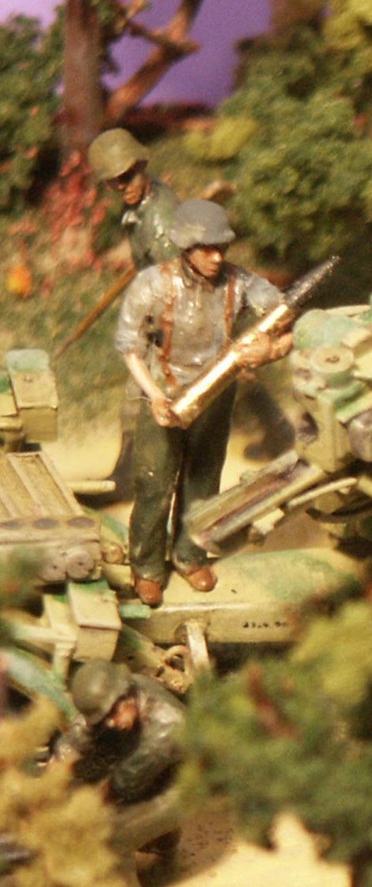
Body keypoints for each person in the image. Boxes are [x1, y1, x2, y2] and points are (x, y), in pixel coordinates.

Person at [114, 199, 291, 606]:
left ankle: (190, 555)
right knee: (154, 485)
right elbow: (130, 347)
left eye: (222, 248)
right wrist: (154, 396)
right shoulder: (152, 284)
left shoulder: (241, 284)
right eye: (207, 248)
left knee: (203, 483)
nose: (216, 257)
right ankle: (146, 567)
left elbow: (285, 316)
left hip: (216, 399)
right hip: (165, 398)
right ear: (186, 247)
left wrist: (271, 350)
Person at [64, 661, 185, 807]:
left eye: (112, 714)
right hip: (140, 749)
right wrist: (60, 764)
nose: (110, 722)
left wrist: (85, 807)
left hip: (178, 774)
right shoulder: (119, 686)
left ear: (126, 696)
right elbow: (83, 728)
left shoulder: (167, 725)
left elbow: (124, 780)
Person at [88, 128, 179, 272]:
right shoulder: (136, 206)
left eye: (126, 177)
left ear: (141, 165)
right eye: (112, 181)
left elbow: (175, 274)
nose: (121, 187)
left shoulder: (161, 222)